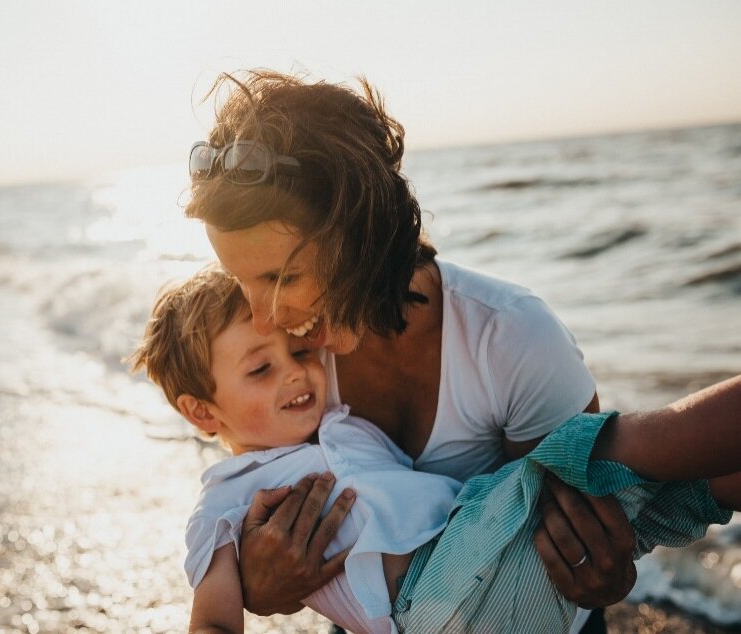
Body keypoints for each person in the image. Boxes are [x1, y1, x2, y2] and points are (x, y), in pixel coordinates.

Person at [183, 69, 634, 631]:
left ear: (360, 236)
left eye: (282, 277)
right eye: (239, 282)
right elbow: (264, 494)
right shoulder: (289, 359)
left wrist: (604, 572)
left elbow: (580, 536)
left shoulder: (511, 338)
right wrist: (261, 584)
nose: (263, 317)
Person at [128, 266, 739, 634]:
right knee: (590, 455)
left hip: (491, 577)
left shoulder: (342, 426)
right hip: (434, 595)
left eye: (299, 353)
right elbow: (212, 619)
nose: (297, 374)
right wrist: (253, 590)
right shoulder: (226, 502)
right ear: (201, 411)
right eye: (261, 369)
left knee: (670, 496)